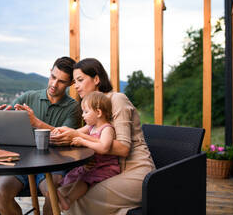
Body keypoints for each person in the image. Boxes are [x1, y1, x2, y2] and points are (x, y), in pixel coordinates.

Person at [51, 58, 155, 215]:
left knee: (78, 200)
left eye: (80, 80)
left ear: (96, 79)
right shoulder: (95, 110)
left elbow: (124, 149)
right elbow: (79, 133)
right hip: (111, 171)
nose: (76, 86)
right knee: (64, 193)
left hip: (136, 172)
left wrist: (79, 138)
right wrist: (59, 133)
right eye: (74, 82)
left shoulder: (116, 99)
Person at [0, 56, 81, 215]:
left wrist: (36, 122)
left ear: (71, 83)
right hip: (21, 163)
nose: (54, 84)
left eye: (61, 81)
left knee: (53, 194)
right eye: (53, 77)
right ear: (50, 72)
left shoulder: (74, 108)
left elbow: (65, 137)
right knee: (0, 195)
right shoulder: (28, 97)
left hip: (53, 165)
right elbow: (5, 124)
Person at [56, 91, 120, 211]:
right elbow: (76, 132)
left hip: (105, 167)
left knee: (84, 180)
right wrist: (63, 130)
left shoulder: (107, 129)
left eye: (86, 112)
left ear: (99, 112)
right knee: (72, 175)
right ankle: (60, 195)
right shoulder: (91, 127)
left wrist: (83, 141)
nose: (83, 115)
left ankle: (68, 200)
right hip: (93, 165)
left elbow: (104, 147)